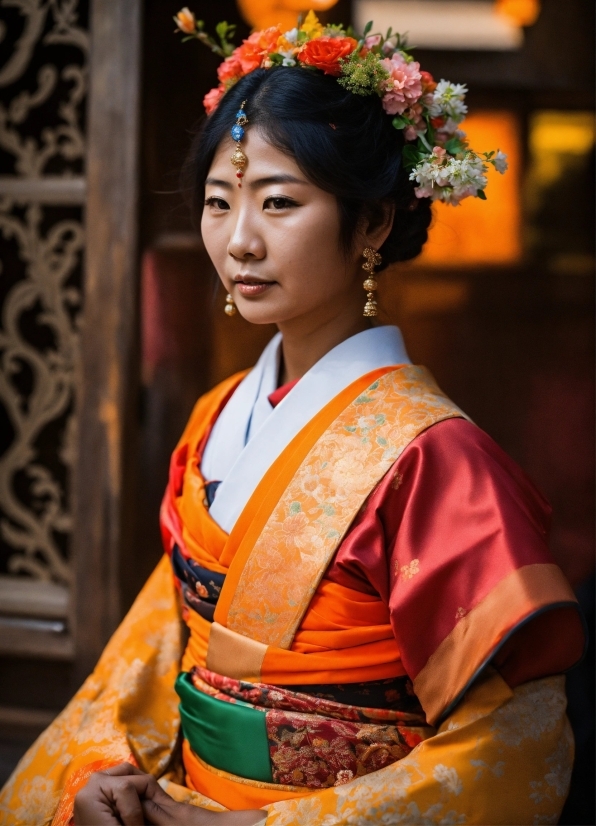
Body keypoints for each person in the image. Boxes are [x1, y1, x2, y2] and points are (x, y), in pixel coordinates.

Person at [0, 11, 586, 826]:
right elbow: (153, 649)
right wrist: (101, 770)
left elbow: (519, 739)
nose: (239, 242)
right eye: (217, 202)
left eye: (278, 203)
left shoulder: (437, 460)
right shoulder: (215, 418)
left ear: (372, 223)